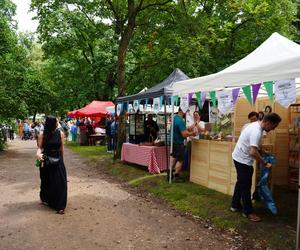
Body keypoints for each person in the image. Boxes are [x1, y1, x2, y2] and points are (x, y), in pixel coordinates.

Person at [231, 113, 281, 222]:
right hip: (242, 160)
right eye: (274, 126)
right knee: (246, 186)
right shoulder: (257, 131)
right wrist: (264, 163)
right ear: (268, 122)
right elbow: (253, 152)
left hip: (238, 157)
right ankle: (248, 212)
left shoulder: (256, 126)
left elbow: (254, 145)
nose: (273, 129)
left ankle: (235, 205)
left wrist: (263, 151)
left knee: (241, 182)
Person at [36, 115, 67, 214]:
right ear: (51, 124)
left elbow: (62, 148)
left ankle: (60, 206)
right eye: (56, 122)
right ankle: (46, 199)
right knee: (47, 181)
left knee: (60, 182)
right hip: (46, 159)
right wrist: (38, 154)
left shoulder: (60, 133)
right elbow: (40, 148)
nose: (57, 123)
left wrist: (62, 161)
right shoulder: (42, 135)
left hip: (57, 158)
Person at [170, 108, 196, 182]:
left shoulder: (175, 118)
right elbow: (184, 134)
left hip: (174, 142)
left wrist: (192, 126)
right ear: (182, 111)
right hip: (179, 142)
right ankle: (176, 176)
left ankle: (170, 174)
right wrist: (193, 133)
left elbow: (183, 129)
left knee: (174, 158)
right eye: (186, 111)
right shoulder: (180, 120)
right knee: (180, 160)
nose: (186, 112)